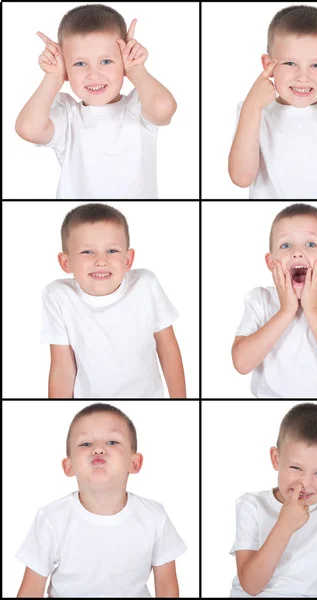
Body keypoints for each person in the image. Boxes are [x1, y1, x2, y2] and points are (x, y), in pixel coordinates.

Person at [16, 403, 187, 598]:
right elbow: (30, 591)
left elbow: (167, 587)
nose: (98, 449)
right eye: (85, 443)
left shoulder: (154, 517)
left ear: (135, 462)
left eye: (112, 442)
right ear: (68, 466)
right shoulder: (51, 519)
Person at [15, 4, 177, 199]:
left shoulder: (138, 104)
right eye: (80, 63)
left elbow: (163, 107)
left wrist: (136, 70)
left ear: (124, 63)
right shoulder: (68, 114)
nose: (93, 74)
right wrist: (53, 77)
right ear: (66, 69)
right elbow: (28, 129)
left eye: (106, 61)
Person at [228, 5, 317, 198]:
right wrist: (252, 107)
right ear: (268, 65)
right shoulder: (254, 110)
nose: (303, 76)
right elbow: (241, 177)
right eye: (290, 63)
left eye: (316, 65)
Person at [41, 203, 185, 398]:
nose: (101, 261)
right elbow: (62, 368)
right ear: (66, 262)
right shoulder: (58, 296)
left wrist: (180, 401)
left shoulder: (145, 285)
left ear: (128, 259)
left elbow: (168, 349)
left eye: (112, 251)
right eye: (87, 252)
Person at [232, 203, 317, 398]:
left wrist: (313, 309)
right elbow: (241, 364)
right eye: (285, 245)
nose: (296, 252)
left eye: (311, 244)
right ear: (271, 263)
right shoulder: (260, 299)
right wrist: (285, 311)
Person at [229, 403, 317, 597]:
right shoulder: (250, 506)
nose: (306, 483)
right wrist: (285, 525)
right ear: (276, 458)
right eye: (296, 468)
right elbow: (251, 585)